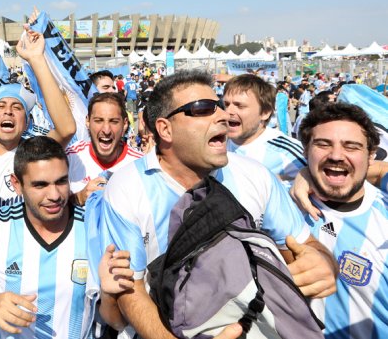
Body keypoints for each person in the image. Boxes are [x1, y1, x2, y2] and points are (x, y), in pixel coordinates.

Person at [89, 69, 337, 339]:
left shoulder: (255, 177)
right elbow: (129, 289)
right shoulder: (127, 187)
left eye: (219, 105)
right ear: (165, 128)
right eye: (203, 108)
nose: (224, 115)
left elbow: (306, 248)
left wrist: (323, 264)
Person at [0, 136, 93, 338]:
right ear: (17, 184)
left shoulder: (93, 228)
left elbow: (112, 318)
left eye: (61, 181)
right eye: (40, 185)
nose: (55, 195)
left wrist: (111, 297)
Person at [297, 102, 388, 338]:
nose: (336, 155)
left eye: (352, 146)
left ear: (371, 155)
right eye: (323, 144)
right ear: (305, 149)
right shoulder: (279, 204)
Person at [0, 27, 76, 205]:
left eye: (17, 107)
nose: (8, 111)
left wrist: (37, 59)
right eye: (1, 106)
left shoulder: (35, 148)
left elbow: (66, 130)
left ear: (27, 121)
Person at [223, 74, 306, 182]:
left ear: (265, 113)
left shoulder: (287, 153)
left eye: (240, 106)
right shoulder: (217, 144)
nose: (228, 112)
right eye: (226, 104)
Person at [66, 92, 143, 205]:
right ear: (87, 121)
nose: (106, 130)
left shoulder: (141, 164)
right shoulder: (70, 157)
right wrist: (78, 198)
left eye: (114, 121)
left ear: (125, 124)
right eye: (98, 121)